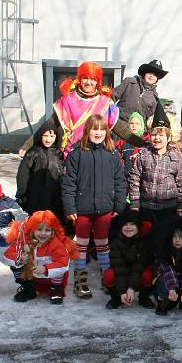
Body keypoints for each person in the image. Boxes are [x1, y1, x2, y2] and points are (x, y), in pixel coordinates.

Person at [61, 114, 127, 298]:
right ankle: (80, 279)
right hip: (82, 209)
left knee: (103, 244)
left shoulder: (112, 155)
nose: (98, 133)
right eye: (94, 129)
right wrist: (70, 208)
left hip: (105, 208)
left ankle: (107, 278)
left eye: (101, 129)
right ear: (87, 131)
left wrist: (119, 205)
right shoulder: (76, 154)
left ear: (106, 132)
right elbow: (68, 184)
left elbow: (119, 182)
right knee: (81, 244)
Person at [19, 61, 140, 158]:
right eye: (85, 78)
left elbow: (120, 128)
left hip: (96, 153)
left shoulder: (105, 102)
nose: (88, 82)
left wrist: (142, 143)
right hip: (71, 154)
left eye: (93, 79)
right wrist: (27, 145)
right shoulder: (68, 100)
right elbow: (49, 124)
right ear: (80, 80)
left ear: (97, 82)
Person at [128, 103, 182, 263]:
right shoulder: (144, 155)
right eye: (154, 135)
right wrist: (135, 202)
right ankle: (147, 268)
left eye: (161, 135)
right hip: (147, 207)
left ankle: (164, 267)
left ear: (168, 137)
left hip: (168, 207)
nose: (157, 138)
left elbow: (181, 183)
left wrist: (179, 205)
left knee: (165, 239)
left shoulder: (175, 157)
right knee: (147, 239)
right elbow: (134, 178)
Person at [3, 210, 78, 304]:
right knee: (15, 265)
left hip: (49, 278)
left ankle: (55, 289)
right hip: (31, 276)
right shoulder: (24, 240)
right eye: (39, 229)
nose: (43, 233)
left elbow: (63, 263)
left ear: (53, 232)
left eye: (47, 230)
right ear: (32, 229)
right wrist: (20, 259)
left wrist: (46, 268)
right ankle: (28, 288)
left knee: (59, 270)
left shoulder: (56, 244)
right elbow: (8, 254)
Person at [104, 209, 155, 309]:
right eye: (125, 224)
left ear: (138, 227)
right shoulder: (116, 243)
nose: (128, 227)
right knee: (109, 275)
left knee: (148, 275)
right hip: (123, 273)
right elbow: (118, 268)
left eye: (132, 224)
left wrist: (131, 288)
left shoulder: (144, 242)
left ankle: (144, 298)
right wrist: (122, 292)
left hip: (138, 273)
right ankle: (116, 298)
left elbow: (139, 266)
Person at [16, 120, 65, 222]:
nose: (48, 139)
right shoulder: (33, 153)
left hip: (55, 198)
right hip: (36, 197)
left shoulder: (59, 154)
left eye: (52, 136)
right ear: (40, 136)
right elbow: (23, 175)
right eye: (45, 136)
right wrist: (22, 194)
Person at [113, 59, 167, 123]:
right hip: (119, 123)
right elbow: (112, 96)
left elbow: (150, 118)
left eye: (155, 75)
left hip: (138, 127)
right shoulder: (130, 82)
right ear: (144, 73)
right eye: (150, 73)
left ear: (157, 79)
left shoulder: (154, 97)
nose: (151, 76)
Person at [115, 111, 147, 181]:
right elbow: (118, 160)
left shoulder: (146, 142)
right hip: (126, 179)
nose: (134, 126)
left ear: (142, 125)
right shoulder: (122, 142)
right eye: (132, 123)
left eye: (137, 123)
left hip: (143, 179)